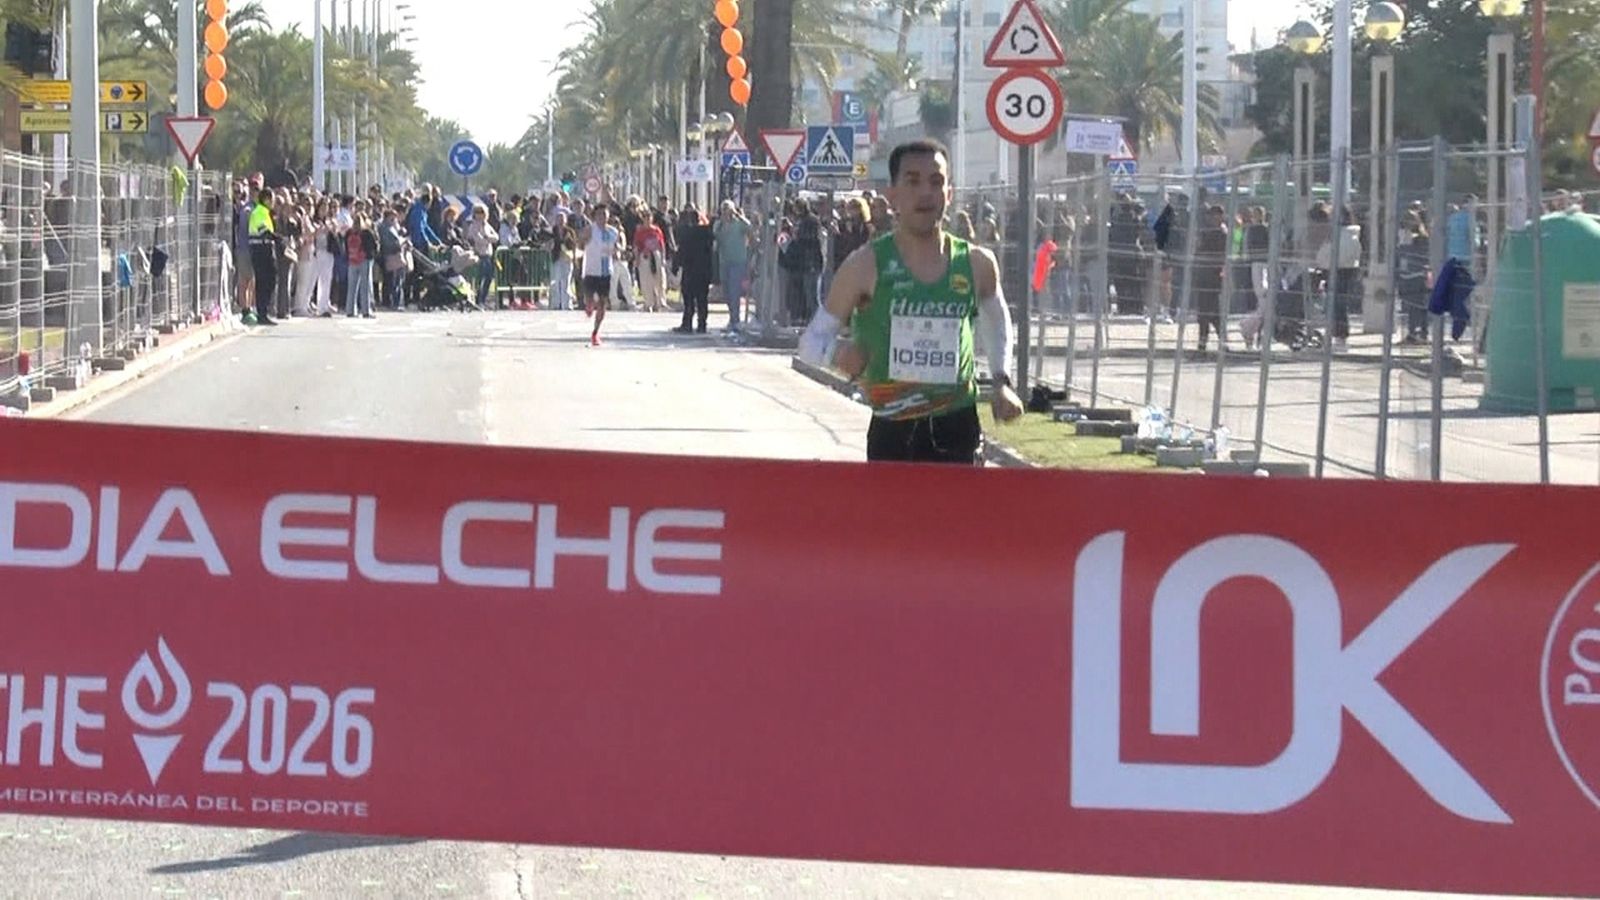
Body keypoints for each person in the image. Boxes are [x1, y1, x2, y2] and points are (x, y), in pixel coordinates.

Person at [798, 139, 1023, 464]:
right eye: (913, 181)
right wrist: (838, 353)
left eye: (936, 182)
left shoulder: (976, 263)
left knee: (956, 517)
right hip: (893, 428)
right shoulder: (865, 265)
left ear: (949, 193)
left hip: (957, 426)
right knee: (892, 517)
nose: (925, 193)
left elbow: (996, 321)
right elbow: (811, 341)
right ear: (892, 195)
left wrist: (1002, 382)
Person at [579, 204, 621, 346]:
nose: (602, 217)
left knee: (602, 303)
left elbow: (617, 246)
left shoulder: (613, 232)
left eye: (605, 214)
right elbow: (580, 243)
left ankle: (595, 333)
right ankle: (589, 305)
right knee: (589, 299)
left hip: (605, 271)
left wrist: (619, 251)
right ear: (595, 216)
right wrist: (583, 241)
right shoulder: (590, 230)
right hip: (591, 270)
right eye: (599, 214)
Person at [674, 204, 715, 334]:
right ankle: (702, 324)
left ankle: (687, 323)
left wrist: (676, 266)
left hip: (690, 271)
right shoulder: (707, 233)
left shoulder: (686, 233)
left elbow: (681, 251)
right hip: (703, 271)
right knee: (702, 299)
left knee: (689, 299)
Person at [713, 200, 752, 330]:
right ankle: (732, 317)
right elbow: (715, 237)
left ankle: (735, 320)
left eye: (728, 209)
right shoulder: (719, 225)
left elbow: (750, 227)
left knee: (734, 291)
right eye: (723, 209)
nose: (725, 212)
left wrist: (739, 215)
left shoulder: (739, 223)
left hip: (738, 261)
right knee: (726, 292)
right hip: (724, 261)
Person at [246, 187, 279, 326]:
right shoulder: (259, 212)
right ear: (266, 199)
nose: (273, 202)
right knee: (264, 281)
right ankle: (262, 312)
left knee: (270, 279)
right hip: (260, 249)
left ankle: (264, 310)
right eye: (272, 199)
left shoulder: (266, 212)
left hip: (266, 248)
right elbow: (263, 230)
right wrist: (277, 238)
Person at [633, 211, 667, 313]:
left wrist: (663, 258)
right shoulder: (640, 231)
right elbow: (636, 246)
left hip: (656, 255)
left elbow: (662, 244)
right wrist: (637, 258)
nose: (647, 220)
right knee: (646, 280)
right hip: (645, 256)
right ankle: (648, 303)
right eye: (645, 217)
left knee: (659, 279)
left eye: (649, 217)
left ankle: (660, 302)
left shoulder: (656, 230)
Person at [345, 212, 378, 319]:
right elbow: (374, 245)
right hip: (365, 260)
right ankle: (366, 310)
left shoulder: (349, 232)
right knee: (365, 287)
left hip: (352, 260)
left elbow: (345, 246)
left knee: (351, 287)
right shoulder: (367, 232)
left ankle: (350, 310)